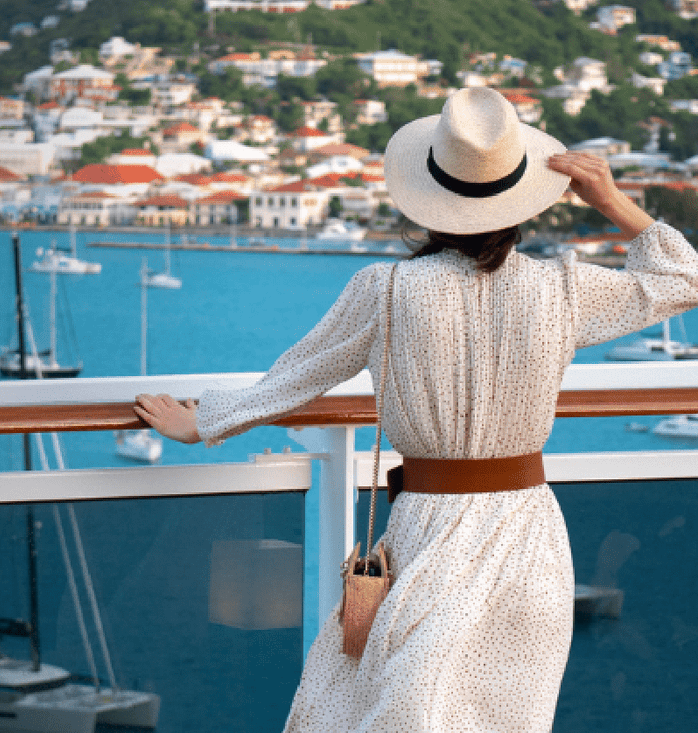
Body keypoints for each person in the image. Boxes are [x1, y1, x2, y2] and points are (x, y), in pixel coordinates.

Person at [133, 86, 698, 732]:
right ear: (522, 199)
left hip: (429, 535)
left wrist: (202, 420)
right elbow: (686, 280)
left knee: (391, 712)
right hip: (530, 538)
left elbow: (295, 375)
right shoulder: (563, 288)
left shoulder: (388, 290)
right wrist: (613, 201)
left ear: (431, 199)